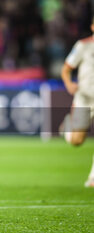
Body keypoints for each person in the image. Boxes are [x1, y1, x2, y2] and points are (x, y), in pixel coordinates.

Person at [60, 17, 94, 187]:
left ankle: (93, 177)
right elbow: (66, 69)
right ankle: (68, 126)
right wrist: (68, 84)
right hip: (85, 98)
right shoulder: (83, 45)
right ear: (92, 26)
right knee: (77, 141)